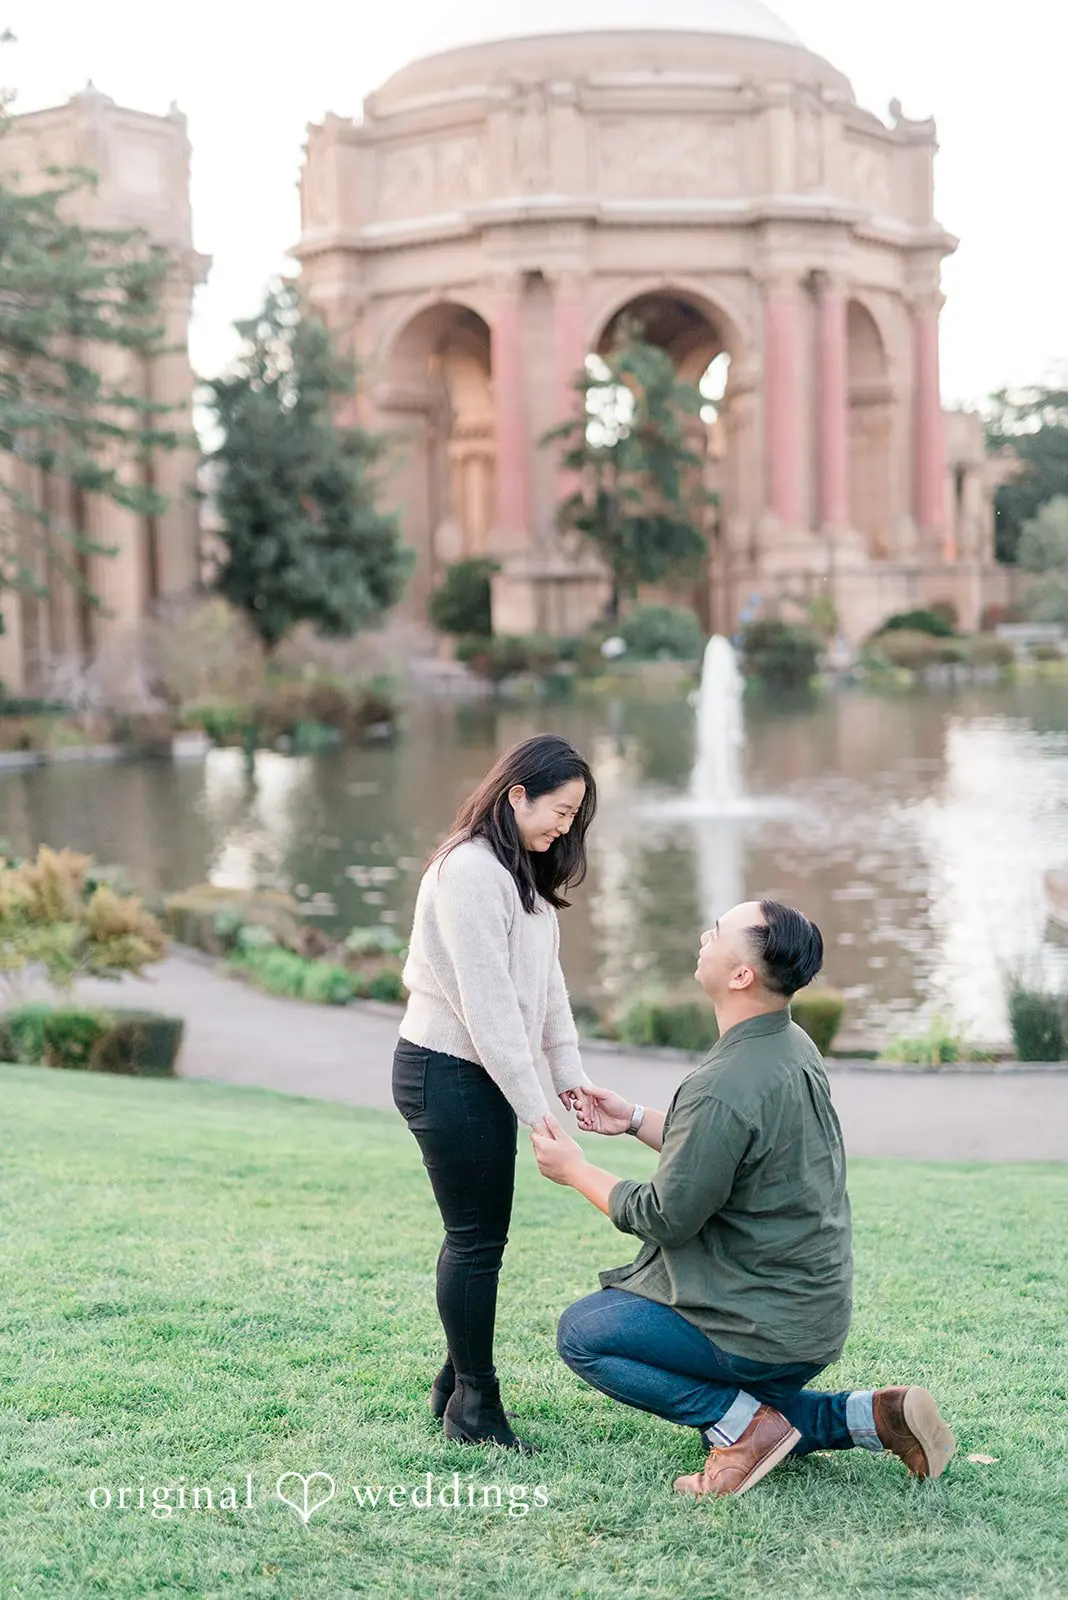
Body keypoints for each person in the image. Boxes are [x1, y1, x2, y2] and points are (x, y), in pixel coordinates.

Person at [531, 899, 956, 1497]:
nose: (705, 935)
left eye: (718, 931)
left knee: (585, 1332)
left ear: (741, 975)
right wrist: (631, 1118)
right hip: (810, 1316)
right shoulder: (791, 1044)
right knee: (766, 1409)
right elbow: (727, 1149)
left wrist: (575, 1170)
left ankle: (745, 1431)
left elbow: (664, 1216)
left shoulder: (722, 1085)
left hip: (760, 1323)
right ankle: (872, 1416)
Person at [393, 733, 597, 1454]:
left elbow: (545, 986)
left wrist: (570, 1079)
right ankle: (475, 1407)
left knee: (484, 1238)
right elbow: (488, 1012)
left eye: (574, 817)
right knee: (476, 1241)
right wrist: (538, 1113)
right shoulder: (469, 872)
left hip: (477, 1070)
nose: (563, 828)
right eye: (559, 811)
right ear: (516, 794)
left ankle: (454, 1383)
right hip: (446, 1066)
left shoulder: (520, 874)